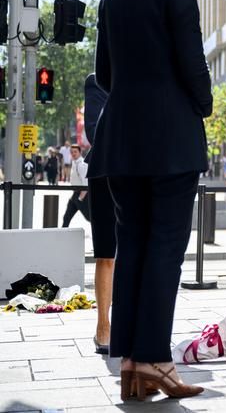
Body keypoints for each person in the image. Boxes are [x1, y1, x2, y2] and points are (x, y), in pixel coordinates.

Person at [87, 0, 211, 401]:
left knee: (133, 246)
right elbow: (192, 61)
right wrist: (202, 105)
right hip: (171, 140)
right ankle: (156, 359)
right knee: (165, 250)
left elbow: (104, 72)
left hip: (121, 139)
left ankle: (132, 362)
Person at [84, 73, 115, 356]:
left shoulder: (146, 77)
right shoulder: (96, 82)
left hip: (143, 171)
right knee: (106, 254)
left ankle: (133, 324)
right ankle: (103, 327)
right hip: (105, 172)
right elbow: (94, 131)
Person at [61, 145, 90, 227]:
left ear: (80, 152)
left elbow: (86, 183)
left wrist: (80, 199)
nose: (73, 154)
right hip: (75, 195)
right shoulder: (74, 163)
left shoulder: (82, 164)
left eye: (75, 152)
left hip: (82, 196)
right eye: (71, 152)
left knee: (89, 218)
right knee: (66, 218)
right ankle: (61, 237)